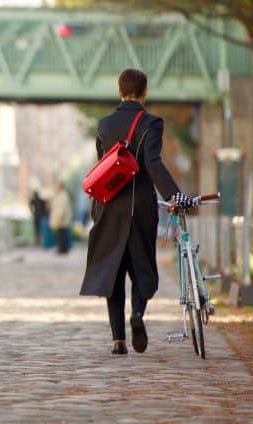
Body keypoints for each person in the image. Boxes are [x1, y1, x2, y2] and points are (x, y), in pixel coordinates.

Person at [80, 68, 196, 355]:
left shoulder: (105, 125)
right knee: (142, 266)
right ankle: (137, 314)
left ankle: (117, 339)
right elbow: (153, 164)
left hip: (108, 206)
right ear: (145, 92)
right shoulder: (151, 123)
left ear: (120, 91)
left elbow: (102, 165)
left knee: (113, 271)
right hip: (140, 206)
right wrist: (175, 196)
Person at [49, 181, 72, 255]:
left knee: (62, 235)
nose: (56, 187)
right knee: (60, 235)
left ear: (61, 187)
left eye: (57, 186)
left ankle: (63, 250)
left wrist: (59, 218)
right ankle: (61, 249)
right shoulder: (58, 195)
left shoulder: (63, 196)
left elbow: (62, 208)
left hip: (62, 219)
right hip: (59, 219)